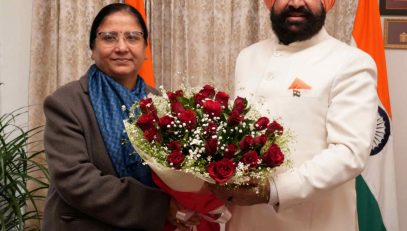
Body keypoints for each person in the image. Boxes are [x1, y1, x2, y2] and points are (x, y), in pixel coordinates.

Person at [208, 0, 378, 230]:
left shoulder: (352, 63)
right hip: (245, 221)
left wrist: (274, 190)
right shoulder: (248, 57)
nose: (296, 3)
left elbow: (349, 153)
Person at [42, 3, 196, 231]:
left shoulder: (163, 104)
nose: (122, 47)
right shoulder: (66, 102)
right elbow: (76, 180)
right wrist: (161, 207)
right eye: (109, 38)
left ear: (145, 49)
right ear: (92, 48)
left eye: (132, 37)